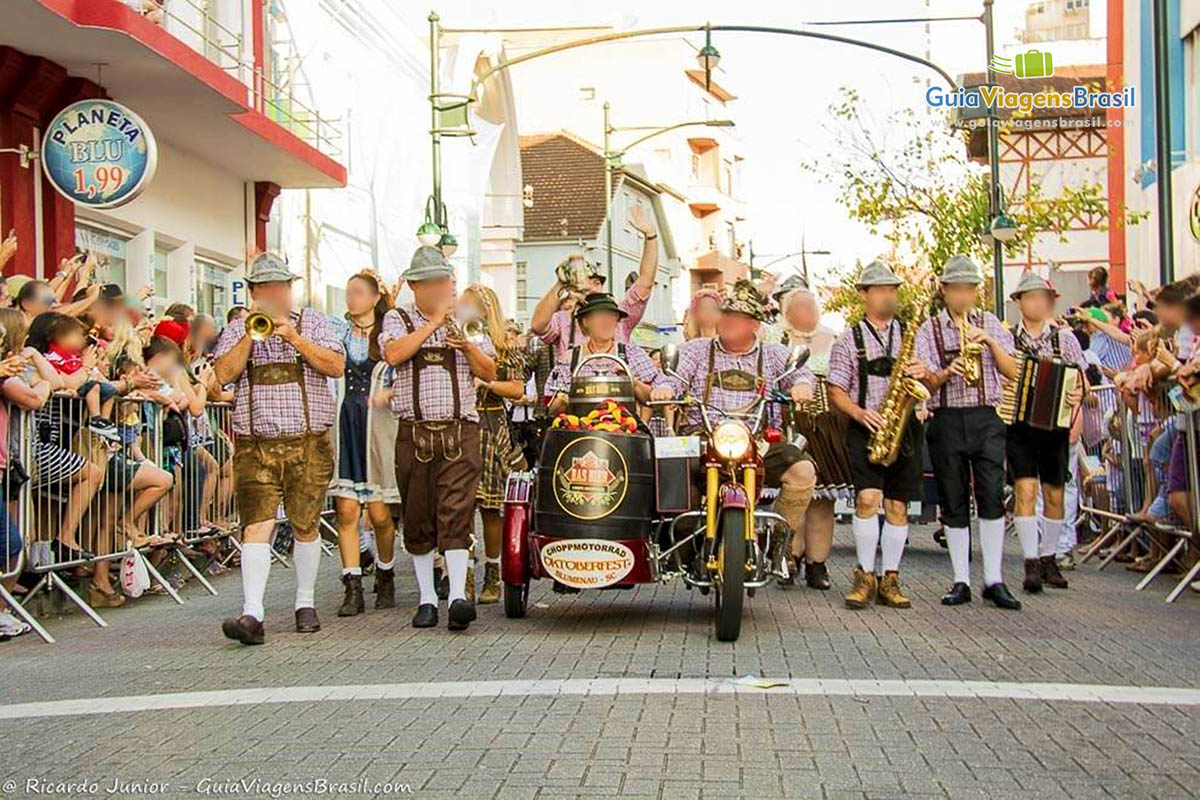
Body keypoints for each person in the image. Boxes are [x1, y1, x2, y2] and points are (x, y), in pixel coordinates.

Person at [214, 253, 345, 646]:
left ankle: (305, 602)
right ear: (254, 293)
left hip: (308, 443)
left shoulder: (314, 322)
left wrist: (292, 337)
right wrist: (252, 338)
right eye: (265, 289)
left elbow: (335, 366)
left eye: (280, 288)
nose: (274, 295)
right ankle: (252, 612)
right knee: (256, 524)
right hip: (255, 445)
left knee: (305, 523)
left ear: (290, 290)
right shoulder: (240, 328)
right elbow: (222, 376)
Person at [381, 247, 496, 631]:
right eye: (431, 282)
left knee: (457, 513)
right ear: (415, 285)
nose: (440, 288)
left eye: (444, 281)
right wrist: (432, 325)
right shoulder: (397, 319)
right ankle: (428, 599)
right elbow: (395, 354)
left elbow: (490, 370)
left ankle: (459, 597)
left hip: (459, 430)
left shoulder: (468, 320)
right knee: (417, 516)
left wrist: (466, 345)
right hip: (414, 433)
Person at [665, 279, 818, 557]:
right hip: (705, 437)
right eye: (726, 314)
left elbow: (801, 373)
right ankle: (680, 541)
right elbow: (672, 376)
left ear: (755, 325)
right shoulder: (698, 350)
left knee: (803, 472)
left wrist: (803, 385)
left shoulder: (774, 355)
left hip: (758, 442)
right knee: (669, 466)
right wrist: (666, 386)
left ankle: (777, 539)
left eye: (739, 317)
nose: (729, 321)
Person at [911, 255, 1021, 610]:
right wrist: (947, 370)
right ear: (944, 291)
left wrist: (989, 341)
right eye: (956, 289)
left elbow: (1012, 371)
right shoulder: (930, 329)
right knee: (952, 497)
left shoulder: (990, 322)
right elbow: (925, 377)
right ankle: (961, 579)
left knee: (991, 493)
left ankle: (994, 579)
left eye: (969, 289)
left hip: (986, 417)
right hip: (946, 417)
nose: (963, 297)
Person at [827, 261, 925, 609]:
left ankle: (891, 578)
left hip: (906, 427)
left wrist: (922, 371)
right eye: (881, 289)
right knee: (869, 500)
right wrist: (858, 412)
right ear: (864, 294)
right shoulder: (848, 339)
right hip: (867, 427)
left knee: (898, 505)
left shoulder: (913, 334)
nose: (889, 295)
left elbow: (929, 377)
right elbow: (835, 389)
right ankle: (864, 574)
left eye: (892, 289)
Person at [1005, 272, 1087, 593]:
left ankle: (1049, 555)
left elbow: (1082, 380)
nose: (1039, 303)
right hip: (1020, 425)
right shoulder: (1007, 340)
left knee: (1054, 494)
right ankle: (1030, 562)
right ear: (1019, 302)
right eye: (1033, 297)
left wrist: (1078, 394)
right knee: (1025, 492)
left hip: (1054, 425)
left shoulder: (1064, 339)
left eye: (1044, 297)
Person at [329, 270, 399, 616]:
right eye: (349, 291)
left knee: (380, 514)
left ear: (374, 298)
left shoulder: (388, 335)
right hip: (345, 423)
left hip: (376, 425)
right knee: (346, 509)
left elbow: (406, 374)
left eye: (358, 292)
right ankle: (352, 585)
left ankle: (385, 571)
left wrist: (390, 391)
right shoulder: (337, 332)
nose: (351, 298)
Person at [458, 285, 526, 605]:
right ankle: (465, 576)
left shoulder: (502, 346)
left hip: (492, 424)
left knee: (491, 507)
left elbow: (516, 388)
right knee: (462, 507)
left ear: (487, 311)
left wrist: (487, 382)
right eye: (463, 304)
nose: (465, 309)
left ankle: (493, 573)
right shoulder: (458, 340)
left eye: (470, 305)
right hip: (464, 425)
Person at [530, 203, 659, 363]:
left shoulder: (620, 315)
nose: (592, 287)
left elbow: (645, 282)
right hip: (577, 386)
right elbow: (537, 325)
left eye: (597, 282)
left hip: (616, 385)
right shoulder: (563, 320)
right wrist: (559, 285)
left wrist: (651, 236)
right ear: (574, 287)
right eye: (585, 281)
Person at [774, 280, 841, 588]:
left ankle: (818, 564)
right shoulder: (776, 339)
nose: (806, 311)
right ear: (787, 312)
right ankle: (788, 556)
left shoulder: (834, 339)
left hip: (826, 424)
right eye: (799, 306)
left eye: (811, 305)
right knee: (794, 492)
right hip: (788, 421)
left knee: (823, 499)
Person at [544, 292, 673, 414]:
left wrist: (633, 383)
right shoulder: (570, 359)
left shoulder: (632, 354)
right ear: (585, 322)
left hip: (626, 431)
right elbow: (550, 406)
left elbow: (654, 398)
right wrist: (564, 400)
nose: (606, 321)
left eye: (611, 316)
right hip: (580, 433)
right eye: (599, 316)